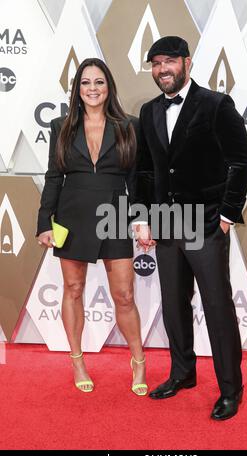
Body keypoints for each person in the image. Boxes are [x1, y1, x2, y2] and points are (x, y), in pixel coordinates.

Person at [134, 36, 247, 419]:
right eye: (155, 63)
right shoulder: (149, 110)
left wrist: (226, 214)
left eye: (169, 61)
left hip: (205, 223)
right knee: (173, 305)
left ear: (187, 62)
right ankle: (183, 373)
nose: (162, 69)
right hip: (167, 224)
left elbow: (242, 161)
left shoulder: (216, 105)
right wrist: (142, 217)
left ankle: (230, 390)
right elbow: (144, 170)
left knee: (217, 307)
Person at [36, 58, 147, 396]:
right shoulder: (62, 126)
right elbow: (54, 176)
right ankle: (77, 360)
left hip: (114, 212)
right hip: (73, 214)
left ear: (108, 86)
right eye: (86, 83)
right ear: (77, 89)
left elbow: (136, 179)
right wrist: (45, 223)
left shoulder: (129, 125)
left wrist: (142, 220)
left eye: (99, 82)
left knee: (125, 295)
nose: (93, 89)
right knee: (72, 289)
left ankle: (139, 361)